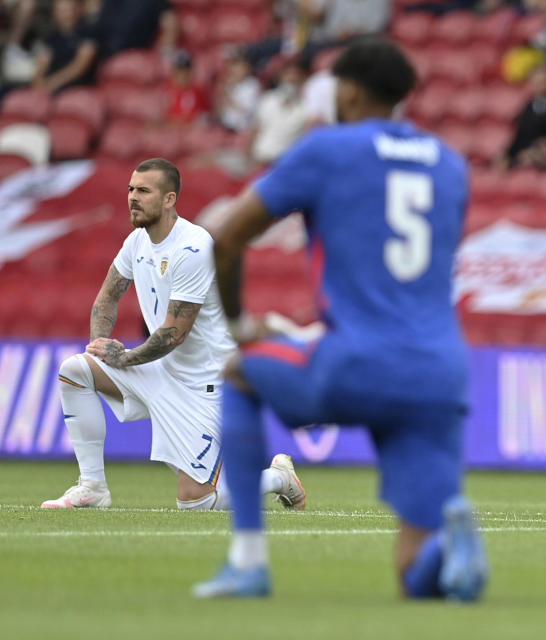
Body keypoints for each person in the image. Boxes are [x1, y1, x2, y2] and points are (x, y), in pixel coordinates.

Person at [192, 38, 487, 601]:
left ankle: (248, 563)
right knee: (412, 573)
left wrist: (242, 325)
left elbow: (227, 238)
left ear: (348, 90)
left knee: (239, 374)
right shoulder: (450, 164)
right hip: (439, 370)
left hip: (358, 357)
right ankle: (447, 554)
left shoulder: (326, 149)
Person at [41, 158, 306, 513]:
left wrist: (125, 357)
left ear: (169, 199)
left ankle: (277, 477)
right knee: (76, 369)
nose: (133, 198)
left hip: (204, 386)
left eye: (143, 191)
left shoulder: (194, 248)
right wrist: (100, 346)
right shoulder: (136, 242)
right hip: (159, 372)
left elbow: (173, 334)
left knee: (196, 503)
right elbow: (107, 296)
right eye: (131, 190)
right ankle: (92, 487)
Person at [32, 0, 98, 94]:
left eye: (67, 9)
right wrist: (39, 85)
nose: (64, 13)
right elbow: (41, 66)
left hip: (78, 87)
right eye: (59, 9)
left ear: (78, 9)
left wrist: (52, 84)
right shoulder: (50, 39)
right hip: (51, 87)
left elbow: (79, 66)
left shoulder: (89, 34)